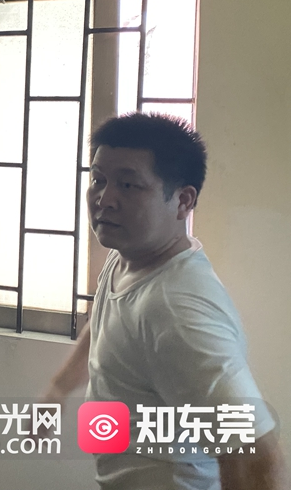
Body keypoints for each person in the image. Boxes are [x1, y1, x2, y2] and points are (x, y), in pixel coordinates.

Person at [42, 113, 287, 489]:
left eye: (128, 185)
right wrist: (59, 388)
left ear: (183, 201)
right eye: (99, 180)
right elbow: (107, 326)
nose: (105, 199)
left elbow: (256, 456)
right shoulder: (127, 256)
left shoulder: (177, 310)